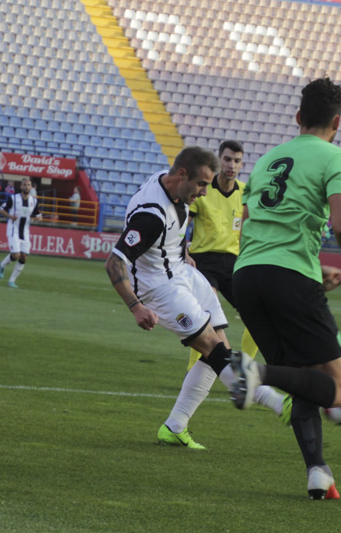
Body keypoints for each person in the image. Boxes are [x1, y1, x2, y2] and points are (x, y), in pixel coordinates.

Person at [231, 77, 341, 500]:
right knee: (337, 387)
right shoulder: (335, 156)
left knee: (303, 378)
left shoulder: (268, 158)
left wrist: (312, 268)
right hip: (289, 275)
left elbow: (251, 218)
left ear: (298, 117)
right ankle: (255, 373)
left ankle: (318, 473)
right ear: (338, 122)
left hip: (248, 275)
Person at [105, 147, 291, 449]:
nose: (205, 192)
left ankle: (175, 426)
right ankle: (278, 404)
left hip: (181, 273)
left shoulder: (172, 188)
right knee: (215, 351)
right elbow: (114, 263)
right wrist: (136, 306)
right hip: (158, 289)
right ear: (182, 175)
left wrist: (184, 254)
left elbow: (171, 233)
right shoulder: (150, 216)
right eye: (202, 184)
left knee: (219, 347)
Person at [159, 140, 266, 448]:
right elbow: (183, 221)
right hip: (204, 261)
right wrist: (185, 252)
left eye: (237, 160)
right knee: (204, 324)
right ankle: (201, 370)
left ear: (242, 164)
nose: (232, 165)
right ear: (220, 161)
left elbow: (250, 225)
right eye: (227, 159)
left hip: (233, 263)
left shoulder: (245, 192)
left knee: (259, 315)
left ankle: (242, 365)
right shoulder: (204, 190)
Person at [0, 178, 41, 288]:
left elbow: (37, 214)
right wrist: (10, 216)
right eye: (24, 185)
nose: (26, 187)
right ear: (21, 186)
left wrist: (39, 217)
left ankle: (11, 281)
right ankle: (2, 265)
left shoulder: (34, 201)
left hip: (25, 231)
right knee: (16, 255)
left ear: (31, 187)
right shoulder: (13, 198)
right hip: (13, 229)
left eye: (28, 185)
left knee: (24, 257)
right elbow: (1, 209)